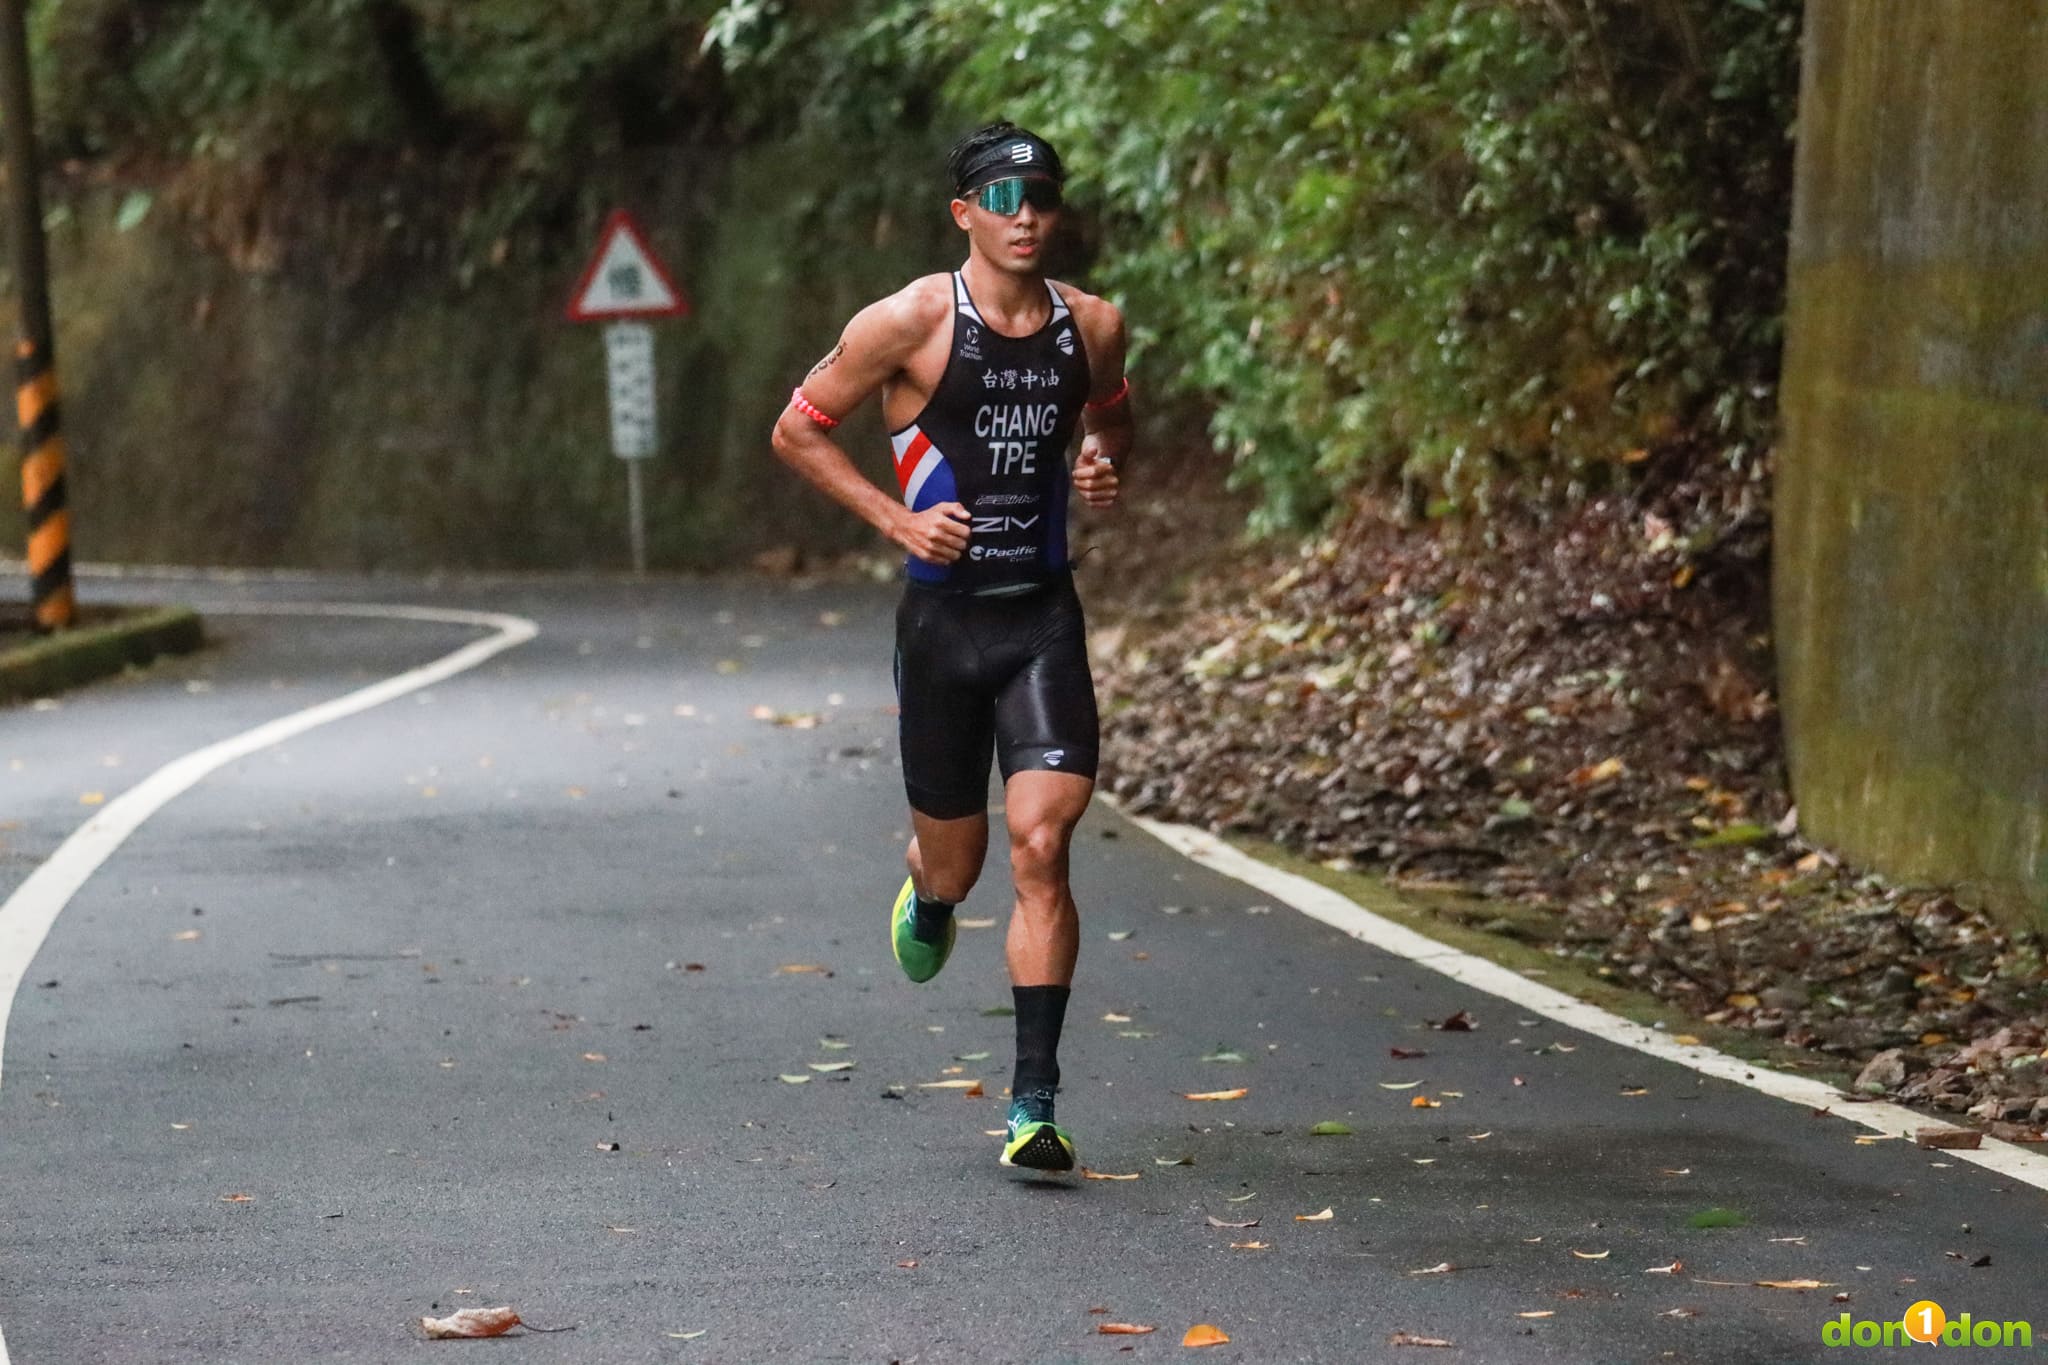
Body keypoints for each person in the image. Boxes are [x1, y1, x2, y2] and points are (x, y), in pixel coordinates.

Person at [770, 121, 1133, 1172]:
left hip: (1039, 621)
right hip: (940, 627)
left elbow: (1112, 422)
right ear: (963, 211)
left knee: (1042, 845)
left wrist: (1101, 463)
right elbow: (796, 429)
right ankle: (928, 891)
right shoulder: (912, 321)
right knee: (959, 861)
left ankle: (1033, 1104)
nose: (1026, 215)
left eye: (1043, 198)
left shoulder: (1093, 325)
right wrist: (896, 521)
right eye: (1005, 196)